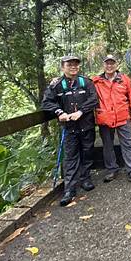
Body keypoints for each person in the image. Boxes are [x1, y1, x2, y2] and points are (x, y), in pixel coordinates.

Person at [41, 55, 99, 206]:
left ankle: (85, 179)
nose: (73, 67)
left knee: (87, 152)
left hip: (86, 125)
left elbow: (94, 99)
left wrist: (81, 111)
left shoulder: (85, 82)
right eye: (69, 64)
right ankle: (69, 189)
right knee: (71, 157)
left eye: (75, 64)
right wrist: (59, 112)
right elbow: (47, 102)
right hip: (69, 128)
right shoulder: (56, 85)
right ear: (63, 67)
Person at [92, 55, 131, 183]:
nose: (109, 66)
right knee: (107, 145)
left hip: (123, 117)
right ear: (103, 65)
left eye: (112, 63)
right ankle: (112, 169)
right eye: (107, 63)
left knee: (128, 144)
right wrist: (59, 79)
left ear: (116, 65)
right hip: (105, 118)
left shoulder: (124, 79)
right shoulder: (96, 82)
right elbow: (81, 85)